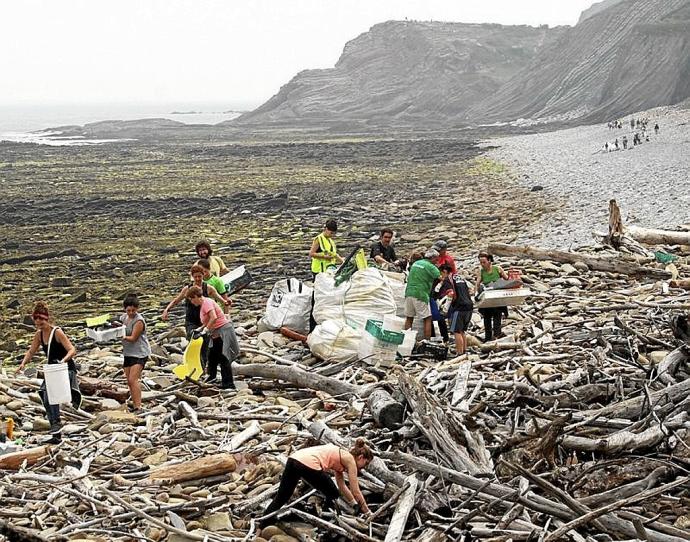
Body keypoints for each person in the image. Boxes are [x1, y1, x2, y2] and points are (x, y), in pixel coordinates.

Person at [261, 440, 374, 526]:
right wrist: (368, 512)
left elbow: (342, 486)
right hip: (309, 463)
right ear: (360, 457)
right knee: (332, 493)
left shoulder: (342, 457)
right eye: (366, 463)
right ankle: (326, 520)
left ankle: (262, 525)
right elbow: (356, 491)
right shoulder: (350, 461)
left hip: (294, 459)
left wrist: (354, 504)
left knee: (282, 496)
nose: (364, 468)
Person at [16, 302, 81, 443]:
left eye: (41, 320)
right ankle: (55, 432)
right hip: (52, 370)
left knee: (52, 396)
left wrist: (63, 360)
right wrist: (23, 363)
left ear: (47, 319)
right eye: (36, 320)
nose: (39, 323)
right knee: (44, 395)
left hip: (64, 368)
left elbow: (72, 349)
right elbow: (32, 351)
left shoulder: (56, 332)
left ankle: (56, 422)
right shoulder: (39, 335)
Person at [186, 286, 238, 389]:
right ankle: (212, 377)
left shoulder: (206, 303)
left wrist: (205, 330)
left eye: (191, 299)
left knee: (223, 357)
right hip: (215, 333)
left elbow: (213, 317)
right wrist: (199, 329)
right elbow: (207, 320)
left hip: (222, 331)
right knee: (212, 356)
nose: (192, 302)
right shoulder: (203, 304)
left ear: (196, 296)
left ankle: (228, 383)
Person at [119, 293, 151, 412]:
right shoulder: (123, 318)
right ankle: (134, 401)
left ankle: (138, 406)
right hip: (128, 352)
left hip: (140, 352)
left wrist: (121, 336)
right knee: (129, 380)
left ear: (137, 309)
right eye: (129, 310)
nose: (131, 312)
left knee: (133, 379)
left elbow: (133, 338)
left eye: (133, 310)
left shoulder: (139, 321)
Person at [404, 249, 441, 339]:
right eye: (436, 259)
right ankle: (426, 341)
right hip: (421, 294)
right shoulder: (431, 266)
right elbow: (440, 277)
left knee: (409, 317)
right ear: (432, 258)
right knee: (427, 318)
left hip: (409, 292)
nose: (437, 261)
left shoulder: (416, 263)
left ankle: (406, 339)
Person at [475, 252, 509, 342]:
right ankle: (488, 337)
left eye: (484, 262)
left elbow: (507, 280)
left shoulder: (497, 269)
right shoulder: (481, 271)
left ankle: (497, 335)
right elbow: (478, 284)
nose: (482, 264)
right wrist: (476, 295)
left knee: (497, 316)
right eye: (481, 262)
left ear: (489, 260)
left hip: (497, 296)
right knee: (487, 318)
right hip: (488, 298)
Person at [447, 269, 474, 355]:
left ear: (444, 271)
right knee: (462, 330)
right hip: (469, 306)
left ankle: (459, 352)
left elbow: (452, 294)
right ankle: (464, 350)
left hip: (459, 307)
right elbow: (469, 291)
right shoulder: (461, 278)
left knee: (456, 331)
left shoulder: (449, 279)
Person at [430, 264, 454, 343]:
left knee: (440, 319)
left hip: (441, 302)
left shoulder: (446, 281)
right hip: (435, 301)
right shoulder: (437, 279)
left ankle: (444, 338)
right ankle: (435, 338)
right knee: (434, 319)